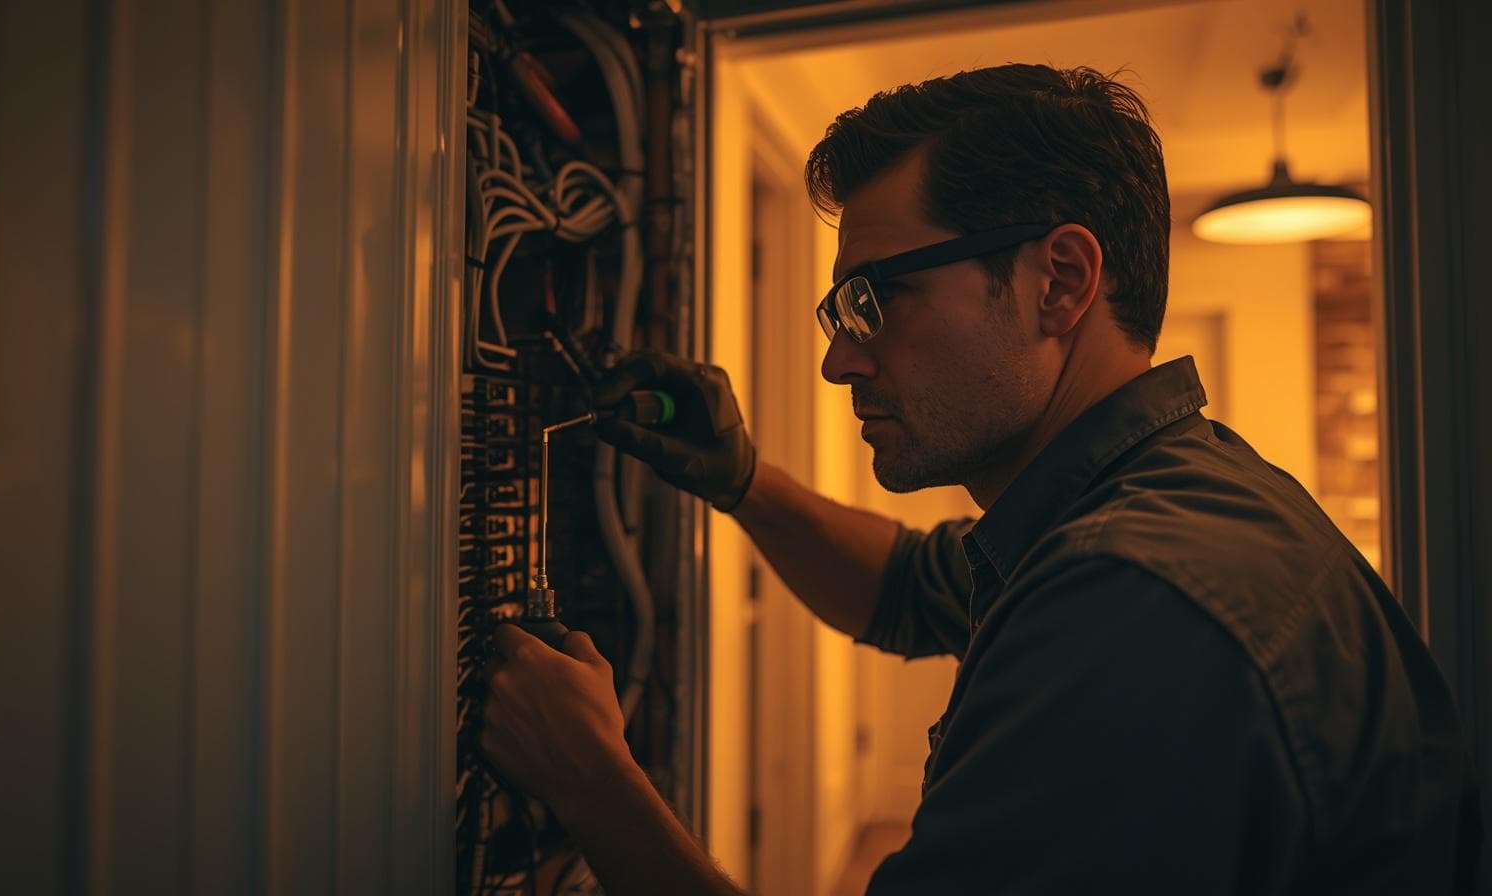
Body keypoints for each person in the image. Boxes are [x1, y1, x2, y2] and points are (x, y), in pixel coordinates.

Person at [477, 64, 1482, 894]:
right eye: (841, 312)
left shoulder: (1137, 600)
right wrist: (745, 481)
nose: (841, 359)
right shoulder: (1159, 493)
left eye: (877, 299)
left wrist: (588, 777)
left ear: (1058, 282)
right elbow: (908, 587)